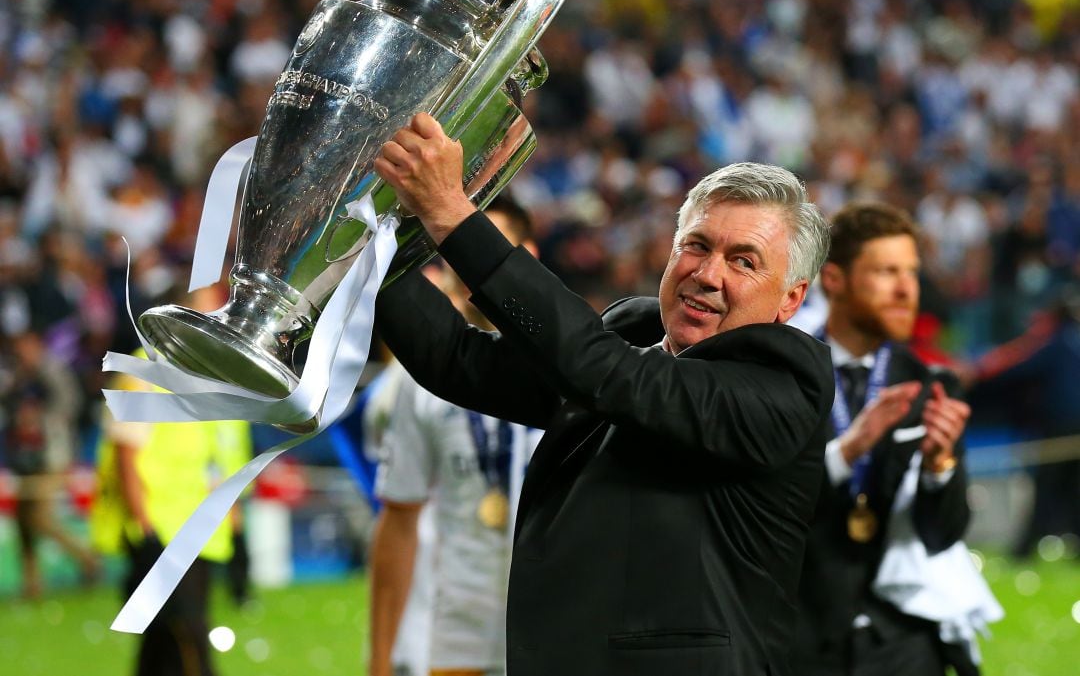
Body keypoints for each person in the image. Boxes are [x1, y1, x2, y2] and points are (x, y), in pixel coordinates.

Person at [371, 112, 834, 676]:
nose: (709, 275)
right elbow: (458, 361)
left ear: (790, 299)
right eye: (697, 246)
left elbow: (605, 372)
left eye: (744, 261)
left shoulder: (786, 378)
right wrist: (364, 247)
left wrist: (449, 214)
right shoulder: (630, 336)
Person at [792, 202, 976, 676]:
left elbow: (943, 534)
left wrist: (940, 469)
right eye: (886, 272)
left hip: (902, 643)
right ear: (833, 280)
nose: (905, 289)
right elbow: (765, 505)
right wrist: (846, 453)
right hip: (800, 634)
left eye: (911, 273)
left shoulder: (933, 386)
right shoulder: (782, 372)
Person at [369, 196, 542, 676]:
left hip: (551, 626)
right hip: (454, 630)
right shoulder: (416, 381)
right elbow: (398, 518)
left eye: (488, 251)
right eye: (457, 253)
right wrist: (379, 660)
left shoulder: (573, 364)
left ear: (527, 258)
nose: (471, 269)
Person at [90, 286, 252, 676]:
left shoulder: (212, 377)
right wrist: (144, 531)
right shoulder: (146, 373)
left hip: (199, 530)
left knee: (163, 643)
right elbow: (125, 460)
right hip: (162, 531)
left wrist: (237, 529)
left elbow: (218, 459)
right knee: (188, 638)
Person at [963, 285, 1080, 557]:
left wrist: (976, 373)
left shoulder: (1057, 343)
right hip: (1069, 428)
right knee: (1073, 488)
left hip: (1060, 427)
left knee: (1048, 486)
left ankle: (1026, 548)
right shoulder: (1066, 342)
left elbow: (1019, 368)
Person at [2, 329, 100, 598]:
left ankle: (88, 559)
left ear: (35, 344)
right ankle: (31, 586)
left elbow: (70, 405)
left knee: (39, 518)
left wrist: (37, 418)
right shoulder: (17, 376)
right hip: (23, 458)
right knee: (23, 522)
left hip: (51, 456)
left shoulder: (53, 372)